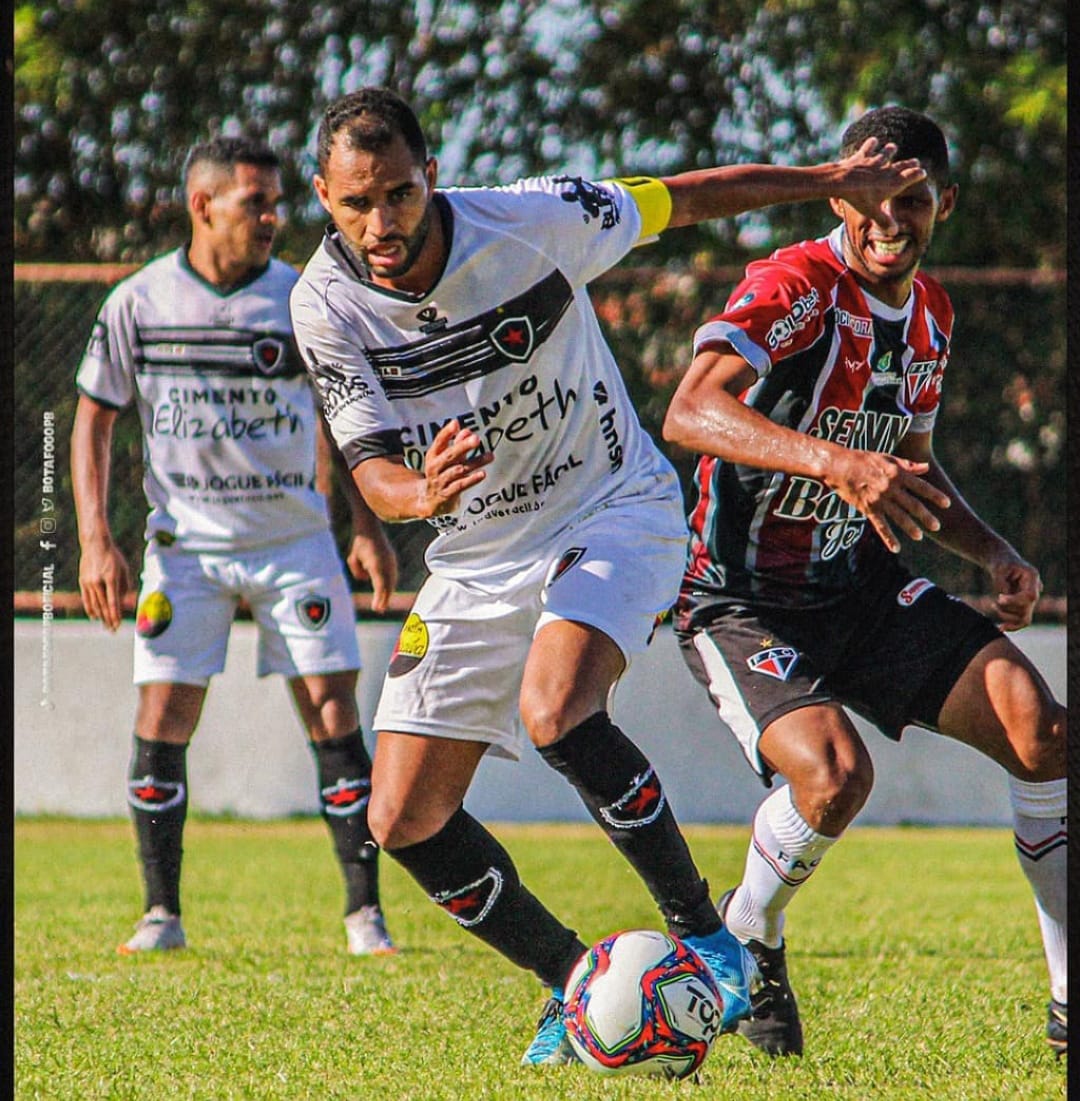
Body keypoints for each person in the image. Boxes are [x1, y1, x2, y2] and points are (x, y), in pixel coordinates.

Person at [289, 87, 927, 1065]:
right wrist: (418, 496)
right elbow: (370, 466)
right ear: (325, 198)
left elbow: (688, 195)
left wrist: (829, 180)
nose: (380, 224)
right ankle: (576, 984)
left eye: (399, 195)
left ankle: (709, 937)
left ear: (430, 172)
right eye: (353, 204)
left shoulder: (534, 219)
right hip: (474, 554)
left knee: (557, 709)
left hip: (611, 513)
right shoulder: (322, 301)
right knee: (400, 815)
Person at [663, 106, 1067, 1058]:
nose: (892, 219)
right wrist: (829, 462)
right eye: (874, 197)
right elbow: (690, 410)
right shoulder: (798, 283)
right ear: (842, 193)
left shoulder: (932, 313)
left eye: (914, 199)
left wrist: (994, 552)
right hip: (738, 595)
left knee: (1044, 734)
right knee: (837, 777)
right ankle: (752, 927)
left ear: (944, 204)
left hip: (862, 587)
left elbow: (912, 469)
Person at [71, 135, 401, 957]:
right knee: (162, 715)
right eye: (255, 201)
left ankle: (365, 914)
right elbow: (91, 420)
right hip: (183, 549)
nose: (271, 217)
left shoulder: (301, 298)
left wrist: (364, 526)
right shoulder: (138, 302)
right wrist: (93, 540)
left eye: (275, 201)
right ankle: (161, 914)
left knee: (333, 716)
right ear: (202, 205)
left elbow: (344, 415)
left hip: (295, 542)